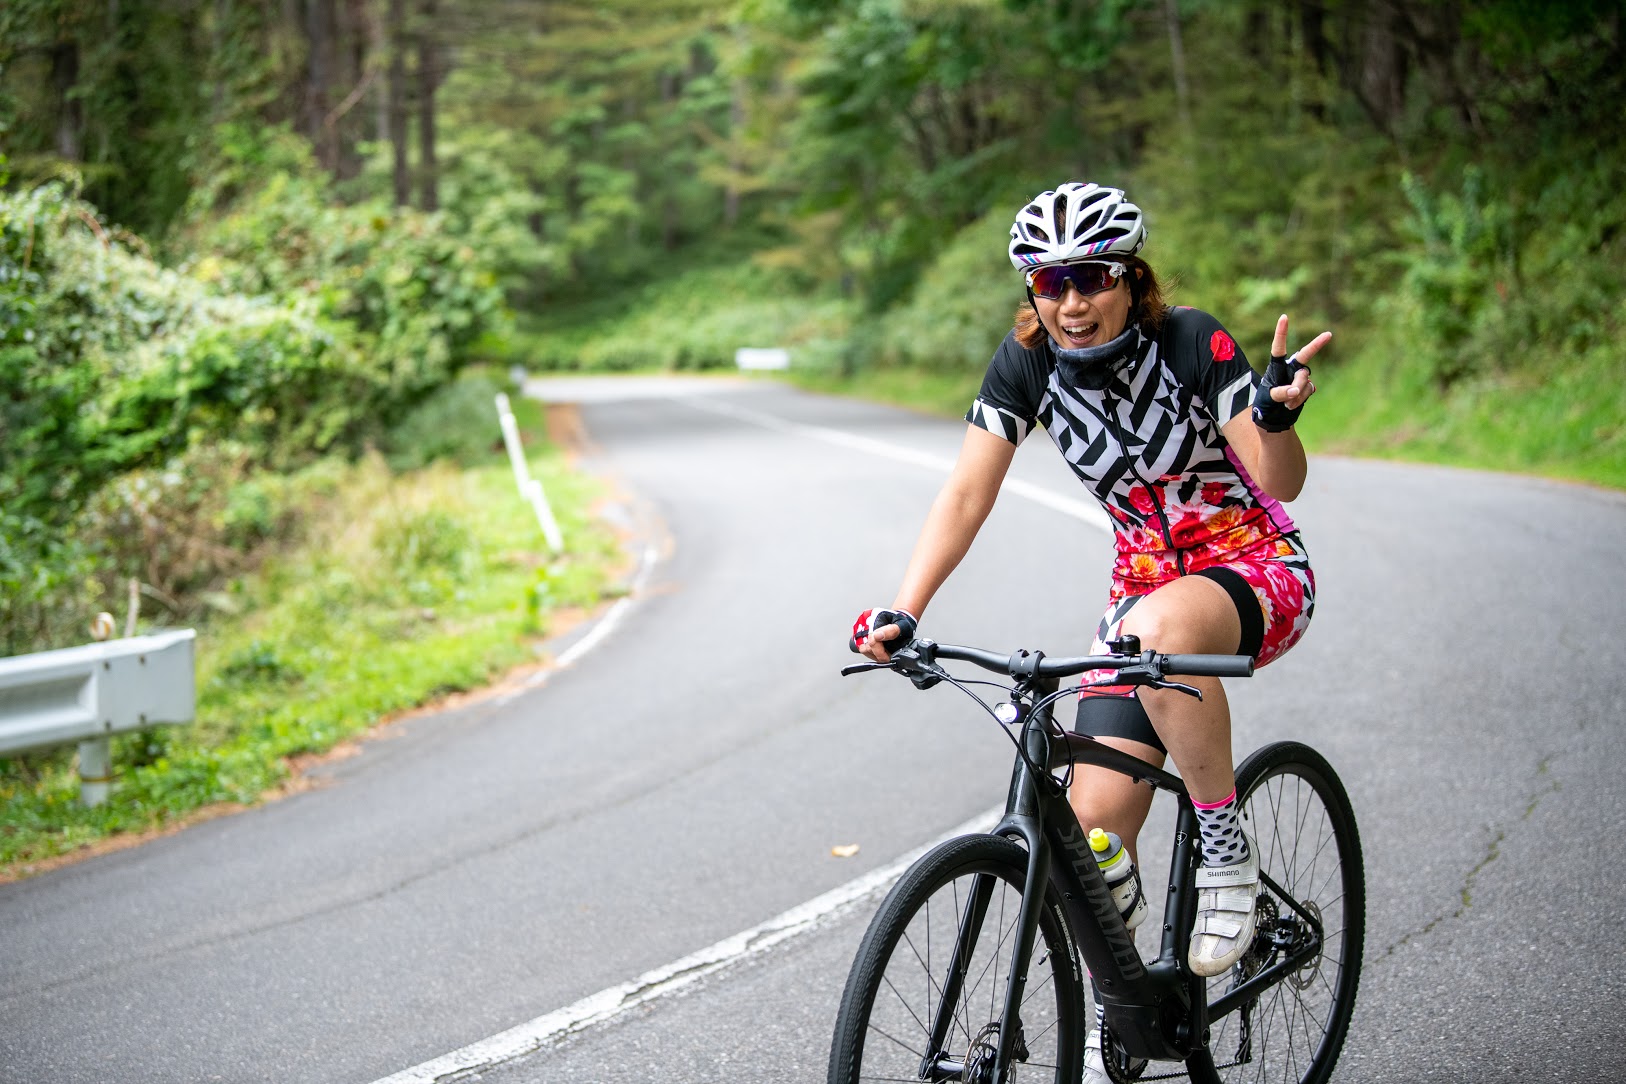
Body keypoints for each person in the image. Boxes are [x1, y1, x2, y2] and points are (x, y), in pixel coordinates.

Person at [850, 181, 1329, 1081]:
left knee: (1152, 630)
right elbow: (965, 492)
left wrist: (1274, 418)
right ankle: (1141, 999)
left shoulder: (1190, 340)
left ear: (1131, 277)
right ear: (1031, 292)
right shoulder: (1025, 365)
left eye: (1093, 277)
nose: (1072, 302)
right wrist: (905, 608)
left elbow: (1279, 477)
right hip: (1140, 595)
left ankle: (1224, 842)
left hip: (1252, 565)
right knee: (1091, 839)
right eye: (1049, 282)